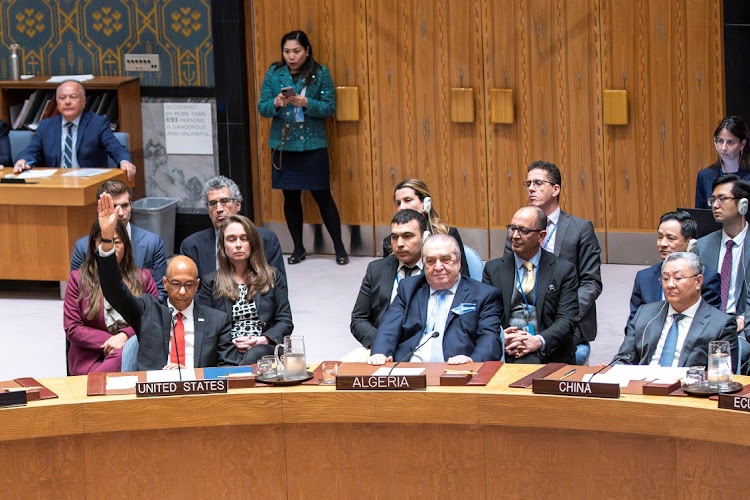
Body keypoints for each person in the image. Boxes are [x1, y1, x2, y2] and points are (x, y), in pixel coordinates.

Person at [97, 193, 235, 370]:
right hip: (155, 393)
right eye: (176, 284)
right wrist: (107, 239)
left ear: (198, 285)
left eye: (189, 284)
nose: (183, 291)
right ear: (165, 283)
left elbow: (228, 369)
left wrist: (191, 376)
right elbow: (115, 291)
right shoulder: (147, 312)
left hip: (199, 393)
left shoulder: (216, 320)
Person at [258, 30, 349, 265]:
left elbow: (329, 107)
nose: (291, 56)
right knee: (290, 198)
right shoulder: (274, 73)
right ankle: (298, 248)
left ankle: (339, 247)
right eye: (287, 51)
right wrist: (276, 103)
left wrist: (307, 102)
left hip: (313, 145)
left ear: (307, 51)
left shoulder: (320, 73)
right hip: (284, 146)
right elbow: (263, 107)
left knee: (322, 196)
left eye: (296, 51)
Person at [368, 234, 502, 365]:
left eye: (445, 259)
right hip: (409, 369)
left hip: (456, 370)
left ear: (459, 262)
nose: (438, 267)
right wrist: (380, 352)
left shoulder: (484, 295)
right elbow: (388, 328)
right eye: (430, 261)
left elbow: (490, 339)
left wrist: (473, 361)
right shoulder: (408, 289)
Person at [513, 161, 601, 346]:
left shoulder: (580, 228)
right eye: (528, 184)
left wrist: (563, 313)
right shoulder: (518, 227)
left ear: (555, 189)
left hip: (567, 317)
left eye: (538, 183)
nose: (531, 189)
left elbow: (591, 283)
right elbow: (509, 274)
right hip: (526, 316)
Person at [484, 206, 579, 364]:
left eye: (523, 231)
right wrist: (501, 337)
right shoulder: (493, 269)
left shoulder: (563, 270)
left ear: (541, 236)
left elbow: (567, 320)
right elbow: (487, 316)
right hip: (505, 347)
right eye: (512, 228)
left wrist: (539, 340)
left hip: (546, 350)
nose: (514, 236)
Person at [64, 219, 159, 375]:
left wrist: (125, 336)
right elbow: (72, 328)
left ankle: (92, 389)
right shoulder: (78, 279)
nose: (111, 248)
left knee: (124, 355)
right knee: (120, 356)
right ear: (93, 245)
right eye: (104, 242)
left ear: (126, 246)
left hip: (133, 355)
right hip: (90, 359)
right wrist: (110, 341)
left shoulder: (144, 278)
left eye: (116, 242)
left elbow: (154, 319)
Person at [196, 215, 293, 365]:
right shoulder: (211, 282)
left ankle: (238, 375)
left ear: (253, 243)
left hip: (264, 349)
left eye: (244, 238)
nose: (238, 244)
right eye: (231, 239)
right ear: (223, 246)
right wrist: (229, 342)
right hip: (226, 349)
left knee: (256, 353)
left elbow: (285, 321)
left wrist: (262, 339)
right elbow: (204, 325)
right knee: (227, 360)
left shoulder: (272, 276)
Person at [615, 252, 738, 367]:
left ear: (698, 281)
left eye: (678, 278)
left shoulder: (721, 325)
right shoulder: (645, 314)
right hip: (644, 385)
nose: (670, 285)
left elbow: (722, 374)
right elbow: (625, 359)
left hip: (689, 387)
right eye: (665, 278)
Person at [13, 80, 136, 181]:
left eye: (73, 97)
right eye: (62, 98)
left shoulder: (97, 123)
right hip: (56, 183)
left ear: (83, 101)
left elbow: (116, 148)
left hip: (89, 183)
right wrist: (23, 159)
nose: (67, 102)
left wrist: (124, 161)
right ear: (57, 102)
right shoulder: (46, 126)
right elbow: (31, 150)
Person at [70, 180, 167, 301]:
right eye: (114, 207)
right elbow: (75, 294)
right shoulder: (83, 247)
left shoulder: (152, 242)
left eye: (125, 205)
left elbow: (161, 293)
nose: (120, 213)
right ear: (100, 208)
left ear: (131, 204)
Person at [180, 176, 285, 280]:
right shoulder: (192, 246)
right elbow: (191, 291)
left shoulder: (267, 240)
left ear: (238, 205)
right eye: (212, 203)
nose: (219, 209)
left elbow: (278, 286)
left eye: (225, 201)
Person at [628, 211, 721, 328]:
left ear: (690, 242)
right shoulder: (644, 278)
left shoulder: (707, 278)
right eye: (660, 237)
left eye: (670, 238)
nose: (662, 244)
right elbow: (633, 325)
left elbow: (710, 326)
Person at [351, 210, 427, 348]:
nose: (399, 244)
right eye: (394, 237)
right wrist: (383, 342)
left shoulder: (436, 270)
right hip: (381, 348)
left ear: (424, 238)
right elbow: (359, 320)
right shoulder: (377, 269)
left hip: (423, 348)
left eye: (407, 236)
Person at [694, 174, 750, 327]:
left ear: (743, 204)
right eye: (713, 200)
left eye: (722, 199)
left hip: (744, 326)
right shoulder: (702, 246)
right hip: (707, 324)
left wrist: (745, 319)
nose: (715, 205)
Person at [383, 178, 469, 276]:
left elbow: (463, 276)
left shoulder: (448, 234)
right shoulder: (389, 242)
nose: (401, 207)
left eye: (408, 200)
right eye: (398, 203)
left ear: (426, 203)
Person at [695, 116, 750, 209]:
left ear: (742, 144)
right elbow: (701, 216)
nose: (723, 148)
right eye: (720, 141)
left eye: (730, 142)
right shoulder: (704, 176)